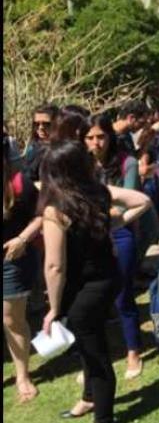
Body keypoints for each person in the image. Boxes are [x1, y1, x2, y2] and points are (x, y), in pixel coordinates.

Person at [39, 141, 150, 422]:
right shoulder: (98, 192)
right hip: (105, 278)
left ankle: (104, 417)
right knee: (89, 346)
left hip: (86, 289)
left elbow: (54, 266)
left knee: (96, 355)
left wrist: (53, 308)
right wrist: (114, 223)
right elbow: (142, 200)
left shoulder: (55, 210)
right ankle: (89, 399)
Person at [84, 114, 144, 379]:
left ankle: (133, 351)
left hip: (120, 233)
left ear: (110, 136)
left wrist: (96, 209)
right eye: (89, 137)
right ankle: (97, 357)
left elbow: (128, 204)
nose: (96, 143)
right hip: (89, 236)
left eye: (100, 136)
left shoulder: (126, 163)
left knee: (123, 294)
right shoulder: (82, 165)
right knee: (93, 298)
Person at [3, 134, 42, 403]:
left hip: (11, 260)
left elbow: (43, 214)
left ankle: (22, 375)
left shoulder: (20, 184)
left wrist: (22, 238)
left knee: (11, 319)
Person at [22, 103, 58, 182]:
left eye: (46, 124)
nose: (41, 128)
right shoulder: (34, 144)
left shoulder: (61, 151)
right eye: (37, 124)